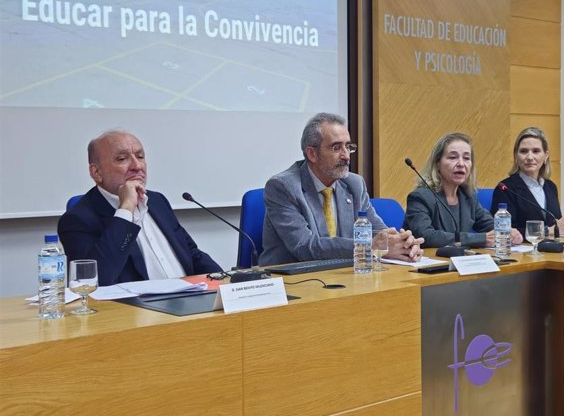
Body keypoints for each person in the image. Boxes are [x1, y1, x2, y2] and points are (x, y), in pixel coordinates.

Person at [58, 130, 221, 286]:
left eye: (140, 156)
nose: (137, 166)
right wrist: (126, 210)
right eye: (122, 159)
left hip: (191, 298)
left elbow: (192, 254)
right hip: (138, 310)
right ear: (96, 173)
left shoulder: (157, 201)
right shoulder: (77, 220)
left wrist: (226, 282)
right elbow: (95, 281)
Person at [260, 113, 424, 266]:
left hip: (342, 275)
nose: (346, 155)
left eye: (348, 147)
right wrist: (370, 246)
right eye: (336, 148)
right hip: (293, 280)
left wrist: (403, 244)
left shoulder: (354, 184)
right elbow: (305, 246)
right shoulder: (283, 187)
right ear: (312, 154)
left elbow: (378, 232)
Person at [403, 132, 523, 248]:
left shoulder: (468, 196)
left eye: (466, 158)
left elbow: (488, 224)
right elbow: (426, 236)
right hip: (429, 263)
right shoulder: (420, 197)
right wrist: (480, 239)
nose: (461, 163)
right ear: (437, 163)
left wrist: (508, 231)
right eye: (453, 157)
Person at [490, 126, 564, 237]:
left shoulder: (551, 187)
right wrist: (547, 231)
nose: (530, 157)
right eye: (523, 151)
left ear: (545, 156)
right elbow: (503, 231)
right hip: (521, 252)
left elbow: (554, 224)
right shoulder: (505, 188)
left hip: (551, 250)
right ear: (516, 156)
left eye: (536, 151)